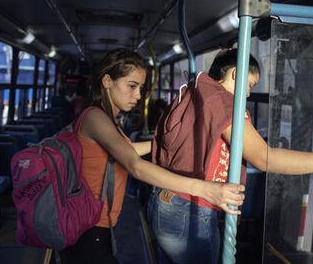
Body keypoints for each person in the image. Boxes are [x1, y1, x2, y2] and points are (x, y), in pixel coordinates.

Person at [147, 48, 313, 264]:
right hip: (189, 211)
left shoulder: (194, 91)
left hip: (165, 203)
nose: (248, 93)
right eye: (249, 85)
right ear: (235, 74)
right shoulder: (222, 101)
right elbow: (264, 158)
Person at [58, 48, 245, 264]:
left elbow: (128, 151)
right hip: (87, 228)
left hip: (99, 223)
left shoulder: (108, 120)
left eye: (141, 88)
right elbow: (135, 165)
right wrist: (205, 189)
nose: (138, 95)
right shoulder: (94, 117)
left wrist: (167, 142)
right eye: (132, 86)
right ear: (107, 81)